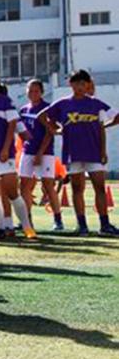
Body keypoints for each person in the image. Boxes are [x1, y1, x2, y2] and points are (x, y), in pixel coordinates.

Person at [38, 69, 119, 236]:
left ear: (88, 84)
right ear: (71, 84)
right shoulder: (63, 104)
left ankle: (105, 225)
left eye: (83, 83)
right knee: (77, 188)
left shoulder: (95, 103)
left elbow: (116, 116)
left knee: (100, 188)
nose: (80, 87)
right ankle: (82, 225)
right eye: (77, 83)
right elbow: (42, 116)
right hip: (73, 152)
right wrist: (55, 129)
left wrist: (104, 126)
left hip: (94, 151)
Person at [0, 69, 35, 240]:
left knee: (11, 192)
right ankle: (1, 228)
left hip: (4, 155)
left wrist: (5, 148)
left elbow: (12, 126)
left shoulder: (4, 102)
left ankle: (27, 226)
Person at [19, 79, 64, 231]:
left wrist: (39, 153)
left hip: (45, 153)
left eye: (36, 91)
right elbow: (21, 131)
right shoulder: (24, 110)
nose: (33, 94)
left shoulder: (47, 109)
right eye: (30, 91)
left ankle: (58, 220)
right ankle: (26, 220)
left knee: (48, 185)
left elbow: (50, 132)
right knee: (24, 185)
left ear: (42, 92)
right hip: (27, 151)